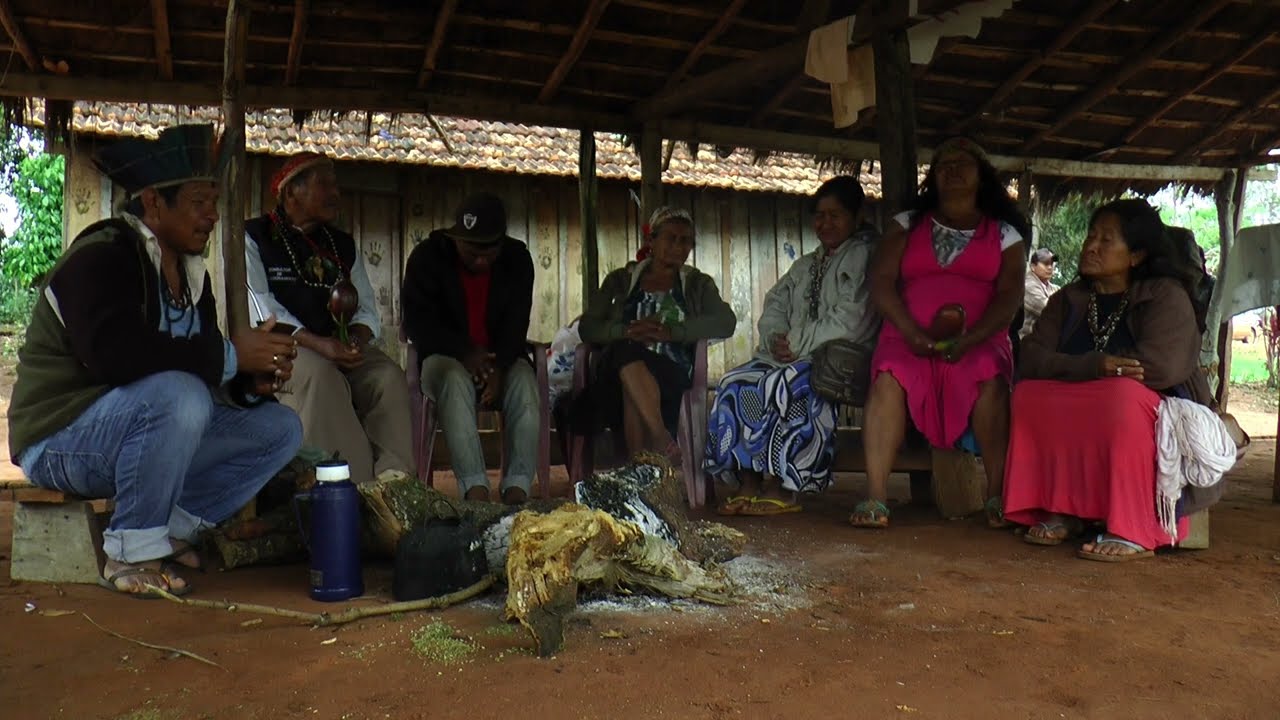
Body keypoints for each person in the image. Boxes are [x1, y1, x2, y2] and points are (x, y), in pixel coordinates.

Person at [7, 124, 303, 597]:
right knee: (179, 395)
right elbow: (116, 359)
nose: (211, 216)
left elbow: (201, 373)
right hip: (60, 440)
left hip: (144, 431)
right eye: (197, 203)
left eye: (214, 203)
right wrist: (229, 355)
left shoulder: (190, 275)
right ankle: (130, 551)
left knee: (280, 429)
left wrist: (249, 380)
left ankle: (171, 531)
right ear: (152, 203)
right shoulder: (102, 257)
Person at [1004, 199, 1230, 561]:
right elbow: (1031, 357)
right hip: (1090, 398)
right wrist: (1095, 367)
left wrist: (1086, 372)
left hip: (1159, 411)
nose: (1091, 246)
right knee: (1029, 395)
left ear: (1136, 255)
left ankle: (1135, 526)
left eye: (1106, 240)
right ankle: (1063, 507)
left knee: (1121, 397)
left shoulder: (1165, 296)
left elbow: (1161, 367)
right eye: (1091, 236)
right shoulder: (1069, 299)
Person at [858, 137, 1028, 529]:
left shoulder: (1005, 235)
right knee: (887, 379)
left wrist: (971, 338)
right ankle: (876, 498)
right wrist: (910, 331)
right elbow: (882, 282)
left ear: (981, 177)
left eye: (961, 163)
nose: (951, 170)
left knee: (991, 380)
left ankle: (996, 496)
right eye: (942, 165)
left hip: (979, 339)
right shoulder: (906, 225)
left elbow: (1008, 298)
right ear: (932, 178)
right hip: (906, 335)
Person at [705, 177, 879, 516]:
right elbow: (775, 304)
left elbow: (852, 318)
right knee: (734, 383)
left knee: (784, 385)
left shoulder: (864, 255)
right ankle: (749, 480)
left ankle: (784, 485)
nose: (825, 223)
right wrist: (776, 338)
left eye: (835, 215)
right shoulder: (806, 264)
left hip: (841, 358)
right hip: (792, 354)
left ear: (857, 217)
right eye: (819, 215)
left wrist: (797, 343)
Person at [245, 153, 414, 485]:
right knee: (322, 377)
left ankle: (397, 485)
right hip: (280, 348)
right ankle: (352, 489)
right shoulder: (254, 237)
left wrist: (355, 341)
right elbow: (261, 307)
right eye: (325, 184)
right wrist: (319, 345)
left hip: (338, 348)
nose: (335, 193)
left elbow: (365, 308)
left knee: (387, 376)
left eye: (335, 184)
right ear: (291, 191)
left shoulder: (341, 245)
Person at [401, 192, 538, 504]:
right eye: (471, 250)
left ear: (501, 244)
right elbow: (418, 323)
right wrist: (465, 353)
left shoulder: (517, 260)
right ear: (455, 239)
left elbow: (518, 322)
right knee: (454, 379)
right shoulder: (427, 258)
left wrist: (499, 367)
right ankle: (475, 491)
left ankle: (517, 490)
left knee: (525, 384)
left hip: (498, 357)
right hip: (443, 357)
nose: (479, 259)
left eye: (488, 252)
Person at [576, 207, 735, 463]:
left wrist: (673, 332)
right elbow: (588, 327)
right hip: (612, 378)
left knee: (632, 382)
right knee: (625, 351)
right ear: (651, 241)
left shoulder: (697, 284)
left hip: (669, 374)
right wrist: (624, 331)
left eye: (685, 241)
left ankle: (638, 473)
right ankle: (661, 439)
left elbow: (726, 322)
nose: (678, 246)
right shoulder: (621, 280)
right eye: (670, 238)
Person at [1019, 248, 1059, 338]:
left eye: (1052, 263)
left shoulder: (1054, 288)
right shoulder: (1028, 285)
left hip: (1042, 345)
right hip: (1024, 343)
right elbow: (1050, 311)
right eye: (1045, 263)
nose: (1050, 267)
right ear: (1033, 267)